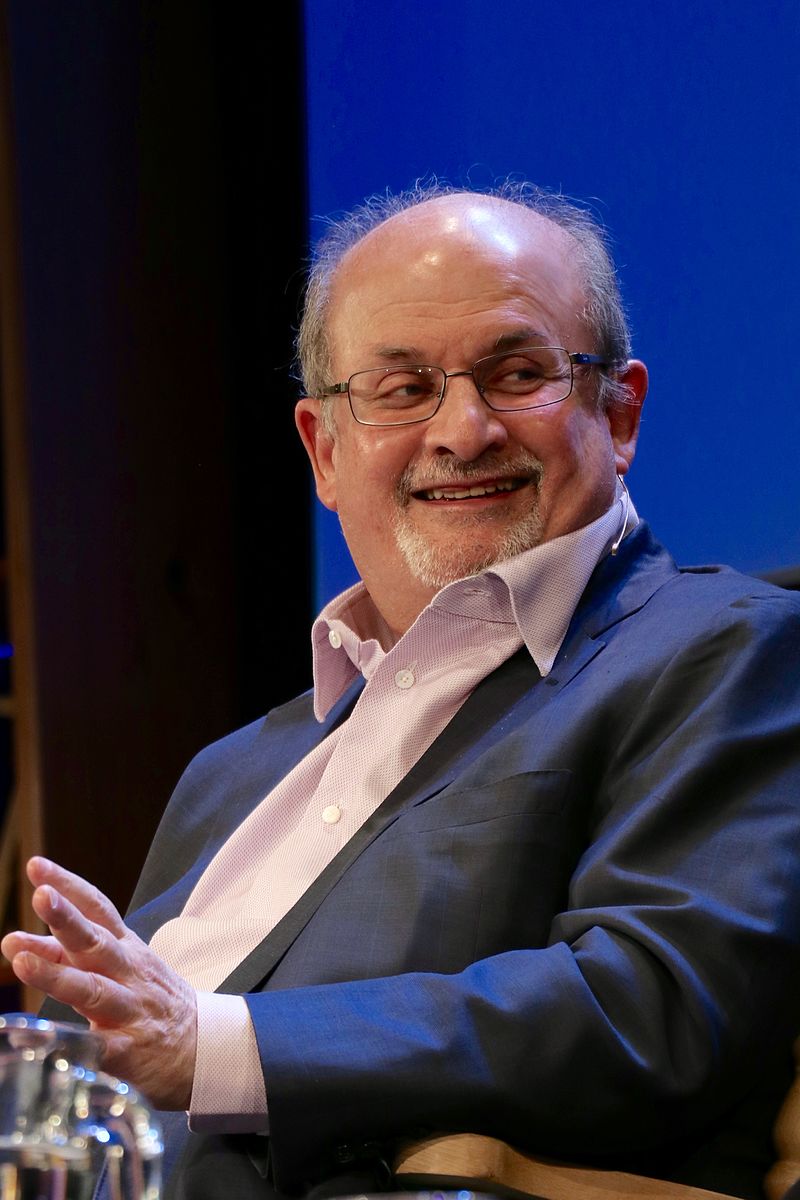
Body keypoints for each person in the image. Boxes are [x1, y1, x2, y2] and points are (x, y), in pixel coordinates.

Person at [3, 181, 800, 1200]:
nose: (462, 430)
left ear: (620, 410)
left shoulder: (723, 651)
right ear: (323, 450)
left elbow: (650, 1008)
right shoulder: (230, 771)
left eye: (518, 374)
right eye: (401, 388)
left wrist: (212, 1047)